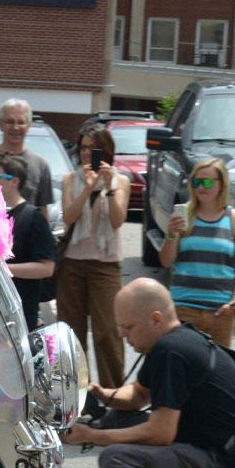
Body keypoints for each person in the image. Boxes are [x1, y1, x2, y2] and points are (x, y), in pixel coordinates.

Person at [62, 278, 235, 468]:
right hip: (214, 458)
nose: (121, 335)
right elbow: (138, 396)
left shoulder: (172, 351)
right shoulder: (176, 338)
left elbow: (160, 433)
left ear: (156, 319)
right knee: (116, 419)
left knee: (115, 460)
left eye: (128, 327)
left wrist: (90, 435)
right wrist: (104, 394)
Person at [58, 123, 130, 394]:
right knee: (72, 336)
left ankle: (113, 396)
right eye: (84, 147)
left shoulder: (119, 180)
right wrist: (87, 189)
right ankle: (77, 397)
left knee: (108, 333)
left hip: (105, 265)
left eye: (94, 148)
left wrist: (108, 188)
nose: (88, 153)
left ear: (106, 151)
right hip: (72, 264)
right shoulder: (70, 179)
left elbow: (117, 220)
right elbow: (68, 217)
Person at [159, 157, 235, 346]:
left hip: (220, 312)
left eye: (207, 182)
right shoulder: (183, 215)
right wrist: (171, 234)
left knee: (217, 370)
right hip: (183, 309)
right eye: (196, 182)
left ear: (221, 184)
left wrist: (234, 303)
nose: (201, 187)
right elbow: (166, 262)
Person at [0, 152, 54, 330]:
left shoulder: (33, 217)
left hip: (20, 316)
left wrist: (2, 270)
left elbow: (47, 268)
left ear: (14, 181)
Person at [0, 98, 54, 218]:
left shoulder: (40, 165)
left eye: (21, 122)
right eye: (10, 121)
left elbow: (42, 210)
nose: (15, 127)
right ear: (0, 124)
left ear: (28, 126)